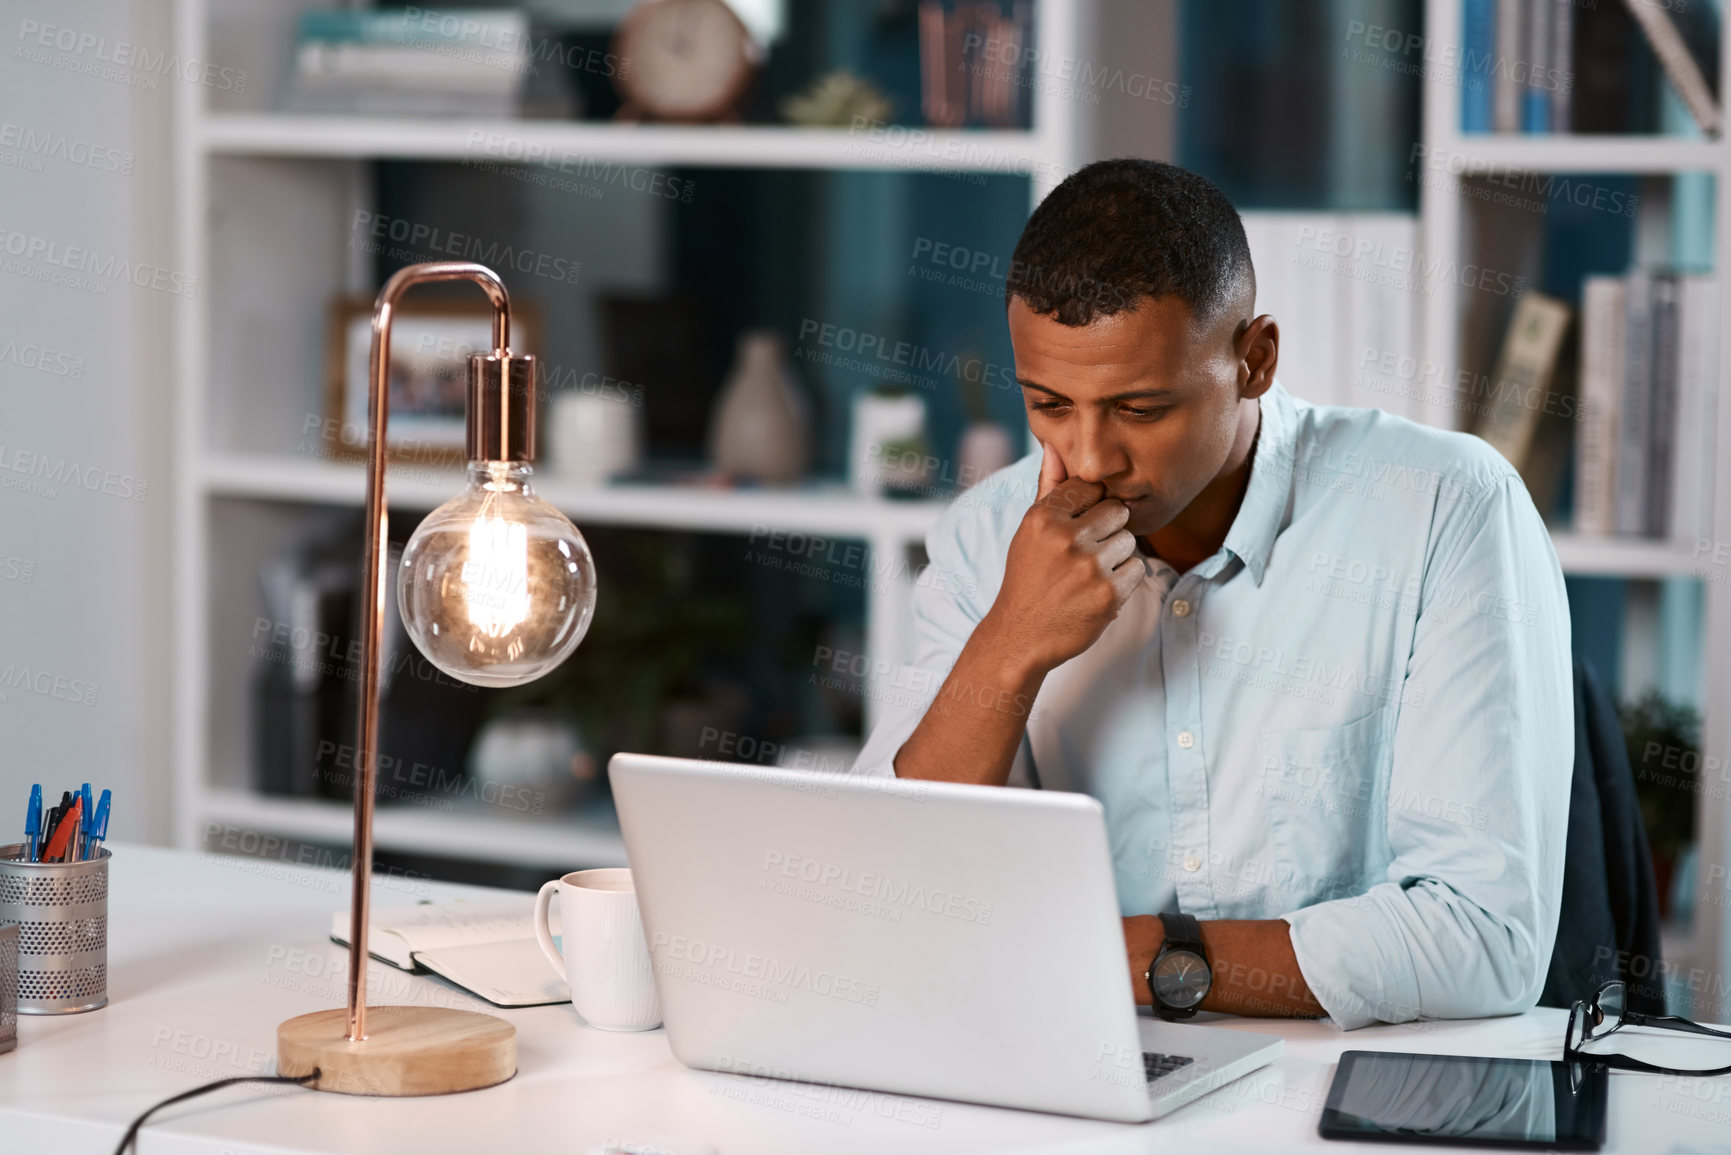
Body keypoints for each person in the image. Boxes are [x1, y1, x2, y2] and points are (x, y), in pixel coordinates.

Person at [852, 159, 1573, 1030]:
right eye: (1048, 404)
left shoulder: (1442, 508)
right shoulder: (986, 534)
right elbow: (889, 895)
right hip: (1073, 1061)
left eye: (1140, 409)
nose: (1087, 458)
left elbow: (1483, 938)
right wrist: (1009, 643)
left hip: (1347, 1083)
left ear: (1254, 359)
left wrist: (1137, 955)